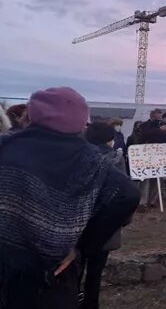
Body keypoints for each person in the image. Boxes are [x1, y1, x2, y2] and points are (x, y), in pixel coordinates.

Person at [0, 87, 139, 308]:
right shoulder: (91, 158)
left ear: (32, 114)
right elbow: (128, 194)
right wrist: (83, 245)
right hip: (54, 273)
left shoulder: (6, 145)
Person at [81, 122, 130, 309]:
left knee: (75, 268)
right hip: (106, 221)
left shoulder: (77, 157)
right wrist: (123, 219)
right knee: (95, 269)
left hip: (77, 222)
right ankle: (91, 303)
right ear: (109, 140)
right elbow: (126, 193)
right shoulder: (116, 160)